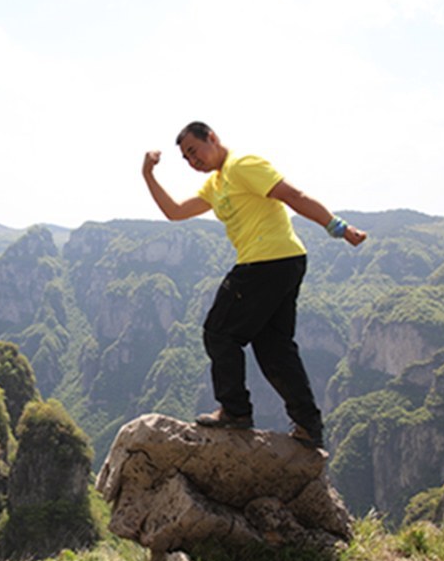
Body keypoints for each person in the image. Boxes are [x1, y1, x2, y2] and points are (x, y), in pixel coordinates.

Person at [141, 121, 366, 449]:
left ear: (213, 138)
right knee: (274, 348)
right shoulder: (216, 184)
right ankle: (308, 426)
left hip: (267, 262)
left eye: (195, 150)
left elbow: (292, 194)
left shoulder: (242, 165)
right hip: (282, 262)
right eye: (187, 158)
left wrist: (339, 227)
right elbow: (175, 212)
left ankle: (235, 411)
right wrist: (148, 175)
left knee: (218, 332)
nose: (194, 161)